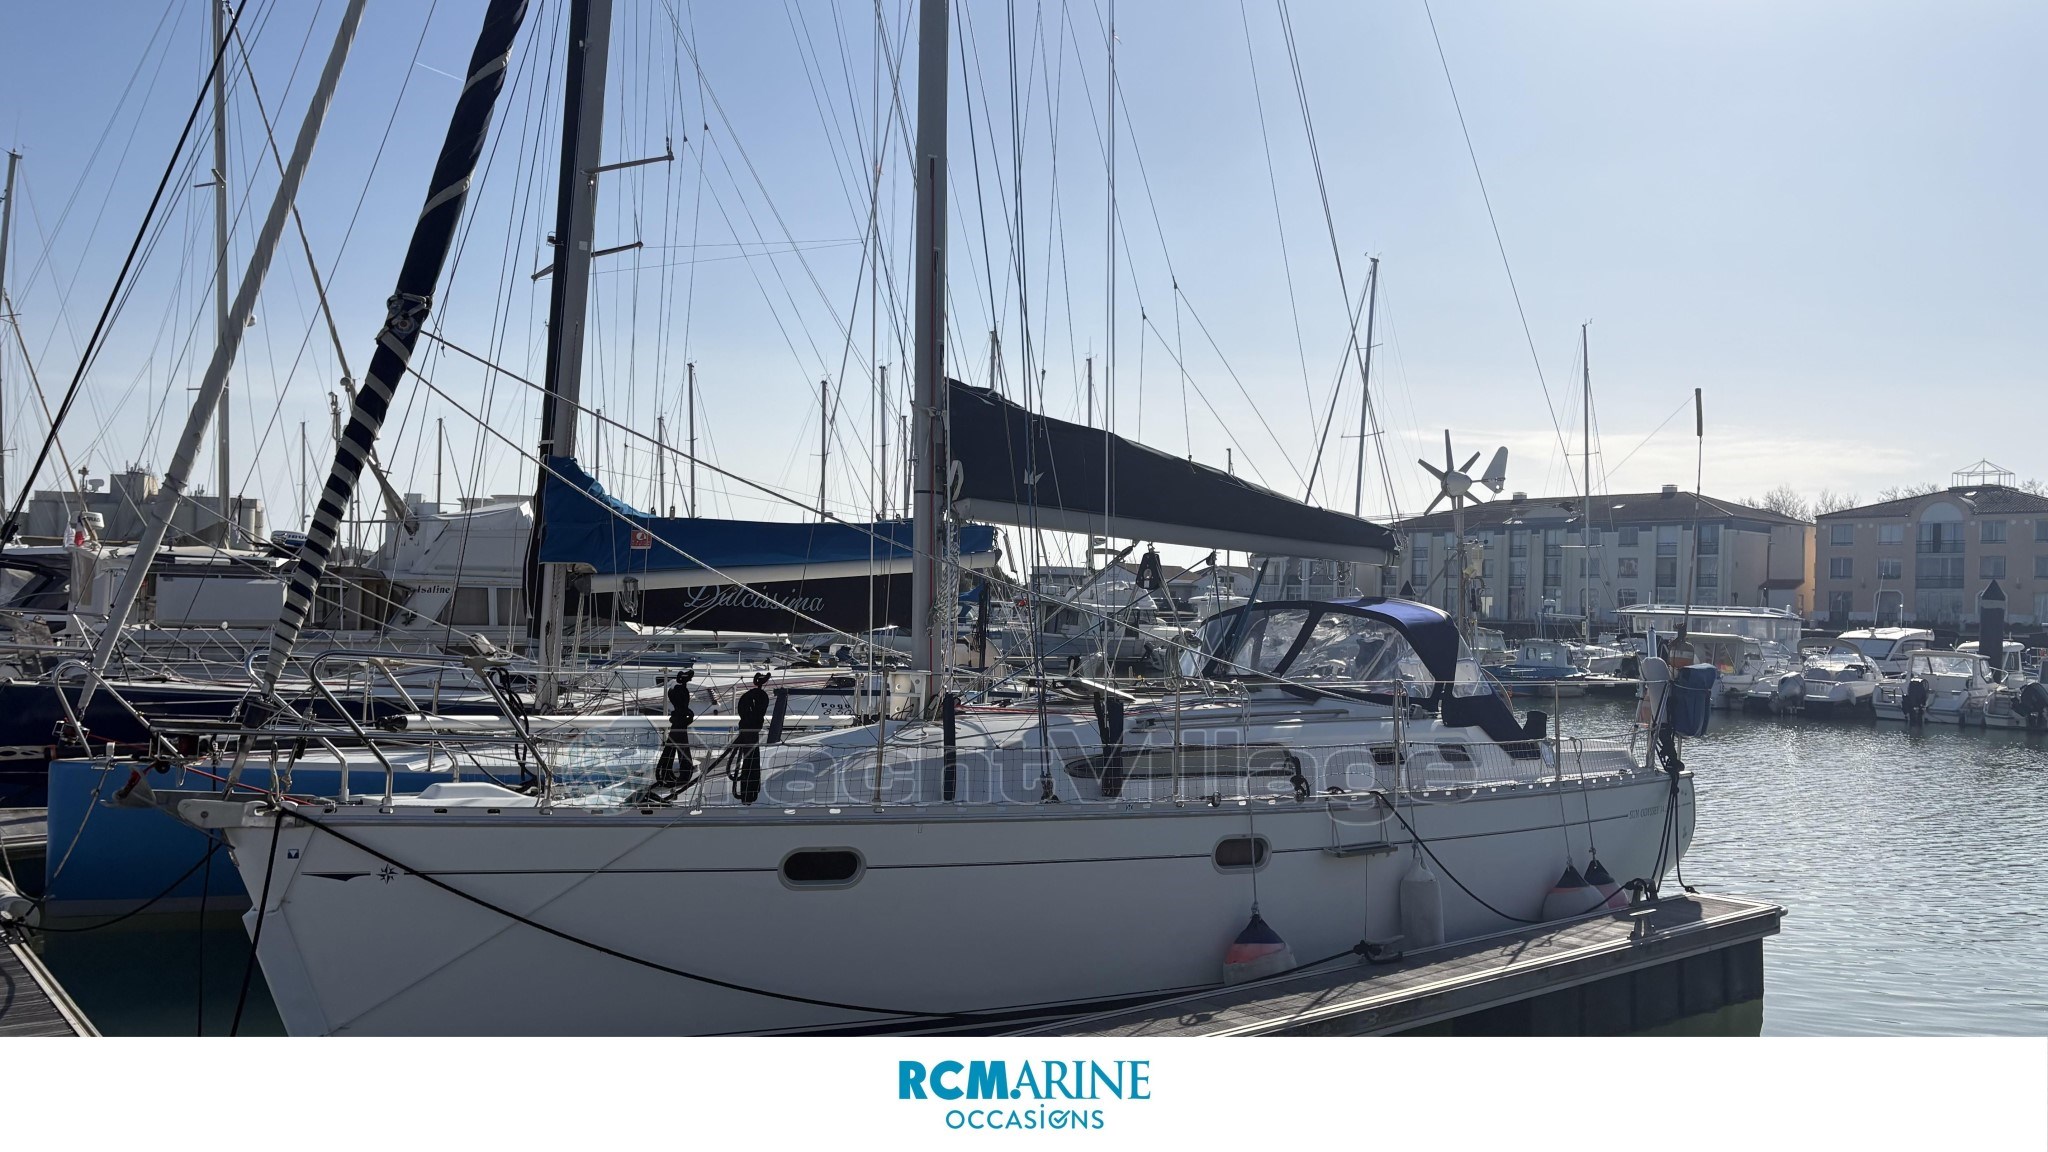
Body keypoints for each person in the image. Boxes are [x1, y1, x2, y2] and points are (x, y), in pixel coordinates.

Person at [725, 671, 772, 804]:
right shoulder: (757, 700)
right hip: (750, 734)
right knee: (752, 761)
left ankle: (749, 793)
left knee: (750, 761)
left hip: (749, 733)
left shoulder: (755, 699)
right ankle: (749, 793)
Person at [653, 668, 697, 790]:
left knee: (670, 749)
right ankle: (680, 776)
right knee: (681, 749)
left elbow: (681, 707)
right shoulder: (681, 691)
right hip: (679, 723)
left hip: (678, 723)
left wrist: (685, 713)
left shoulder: (674, 690)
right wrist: (687, 713)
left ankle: (666, 774)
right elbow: (682, 707)